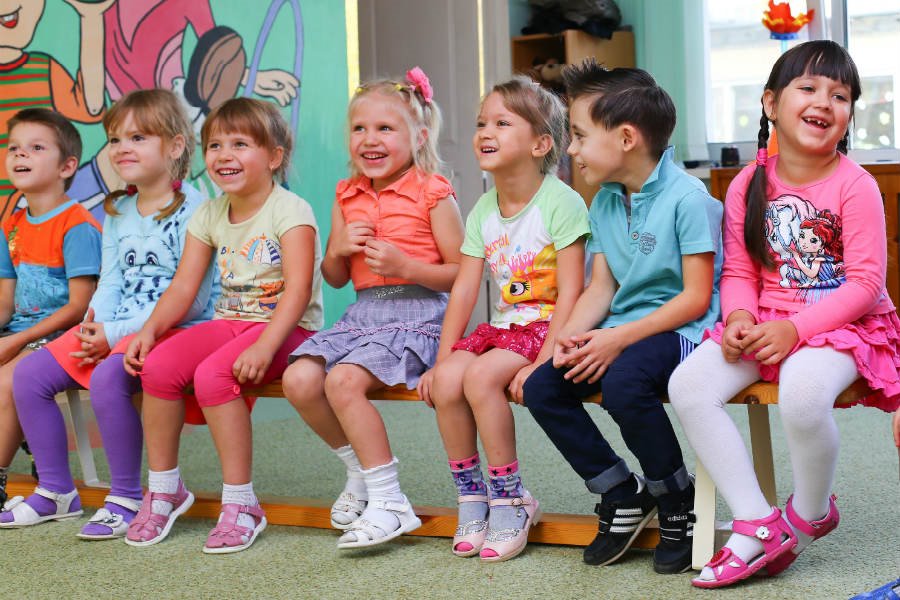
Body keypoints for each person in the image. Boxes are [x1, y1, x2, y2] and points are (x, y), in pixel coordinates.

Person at [669, 40, 900, 588]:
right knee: (688, 385)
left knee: (802, 392)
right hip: (768, 318)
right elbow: (739, 271)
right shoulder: (747, 183)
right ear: (771, 103)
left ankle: (812, 511)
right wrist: (740, 318)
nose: (825, 102)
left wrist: (796, 329)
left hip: (844, 324)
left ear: (848, 115)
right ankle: (757, 521)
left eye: (840, 95)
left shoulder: (857, 185)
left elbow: (866, 285)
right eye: (809, 88)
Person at [523, 60, 723, 575]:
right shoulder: (605, 201)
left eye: (580, 136)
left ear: (627, 138)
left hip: (682, 330)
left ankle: (675, 497)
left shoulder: (689, 200)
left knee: (624, 384)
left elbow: (695, 298)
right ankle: (620, 491)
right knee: (543, 387)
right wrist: (567, 341)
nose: (571, 149)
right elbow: (602, 289)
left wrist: (617, 340)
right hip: (623, 330)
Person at [0, 90, 215, 536]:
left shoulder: (197, 210)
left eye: (138, 137)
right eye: (115, 139)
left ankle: (126, 496)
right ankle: (56, 491)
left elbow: (190, 299)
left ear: (175, 146)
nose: (121, 149)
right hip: (115, 325)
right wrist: (93, 326)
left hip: (173, 328)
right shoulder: (118, 209)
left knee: (106, 378)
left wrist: (113, 333)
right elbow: (112, 279)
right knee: (30, 375)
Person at [122, 97, 323, 554]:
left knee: (214, 374)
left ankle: (241, 502)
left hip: (289, 327)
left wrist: (265, 346)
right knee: (158, 366)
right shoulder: (210, 213)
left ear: (273, 156)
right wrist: (149, 331)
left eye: (240, 144)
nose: (224, 155)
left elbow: (296, 293)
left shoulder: (290, 211)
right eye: (214, 145)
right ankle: (165, 489)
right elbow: (183, 286)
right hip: (232, 322)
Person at [282, 67, 464, 549]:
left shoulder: (433, 191)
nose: (370, 139)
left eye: (385, 128)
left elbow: (463, 273)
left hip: (419, 316)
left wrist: (408, 266)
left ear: (418, 136)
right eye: (360, 128)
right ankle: (360, 470)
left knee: (342, 381)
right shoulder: (347, 194)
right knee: (298, 380)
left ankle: (389, 501)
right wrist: (338, 249)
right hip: (362, 317)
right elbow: (334, 277)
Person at [417, 77, 589, 562]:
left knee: (477, 378)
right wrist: (442, 359)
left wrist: (544, 361)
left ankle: (511, 497)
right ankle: (472, 496)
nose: (485, 132)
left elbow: (573, 291)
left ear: (540, 144)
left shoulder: (561, 202)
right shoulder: (482, 210)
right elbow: (465, 288)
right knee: (448, 380)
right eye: (481, 123)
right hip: (506, 329)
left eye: (501, 123)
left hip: (548, 327)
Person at [0, 109, 101, 510]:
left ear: (67, 166)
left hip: (64, 336)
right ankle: (32, 438)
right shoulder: (11, 226)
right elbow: (6, 301)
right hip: (23, 332)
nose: (20, 154)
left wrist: (16, 341)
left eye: (36, 147)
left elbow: (79, 307)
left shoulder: (77, 225)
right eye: (14, 148)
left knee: (7, 380)